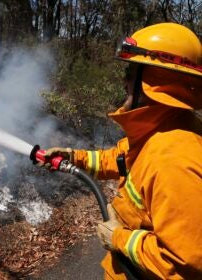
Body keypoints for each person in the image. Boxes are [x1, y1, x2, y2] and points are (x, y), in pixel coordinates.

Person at [43, 22, 202, 279]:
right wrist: (74, 158)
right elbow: (118, 159)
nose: (124, 81)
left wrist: (119, 238)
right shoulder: (163, 128)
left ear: (154, 80)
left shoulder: (172, 160)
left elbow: (184, 263)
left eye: (131, 72)